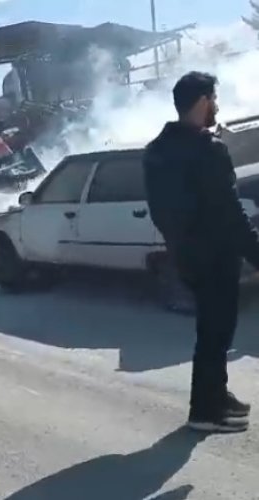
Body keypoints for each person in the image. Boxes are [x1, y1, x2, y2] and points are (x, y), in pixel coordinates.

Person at [143, 71, 259, 433]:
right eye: (215, 100)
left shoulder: (156, 151)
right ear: (204, 101)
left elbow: (161, 212)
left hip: (186, 258)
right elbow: (231, 214)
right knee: (216, 333)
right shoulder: (209, 151)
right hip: (216, 258)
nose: (218, 107)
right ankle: (205, 411)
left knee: (213, 331)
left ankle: (216, 395)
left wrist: (183, 246)